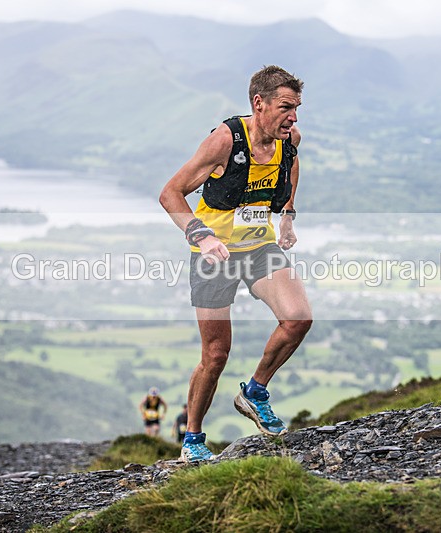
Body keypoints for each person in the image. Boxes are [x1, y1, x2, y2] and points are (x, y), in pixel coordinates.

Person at [159, 65, 313, 463]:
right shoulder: (224, 141)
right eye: (285, 107)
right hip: (214, 256)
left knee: (298, 318)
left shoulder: (288, 139)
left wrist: (288, 215)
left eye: (296, 107)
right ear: (258, 104)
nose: (293, 116)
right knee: (216, 354)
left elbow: (291, 165)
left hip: (258, 247)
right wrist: (200, 234)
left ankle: (255, 392)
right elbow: (171, 193)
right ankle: (193, 439)